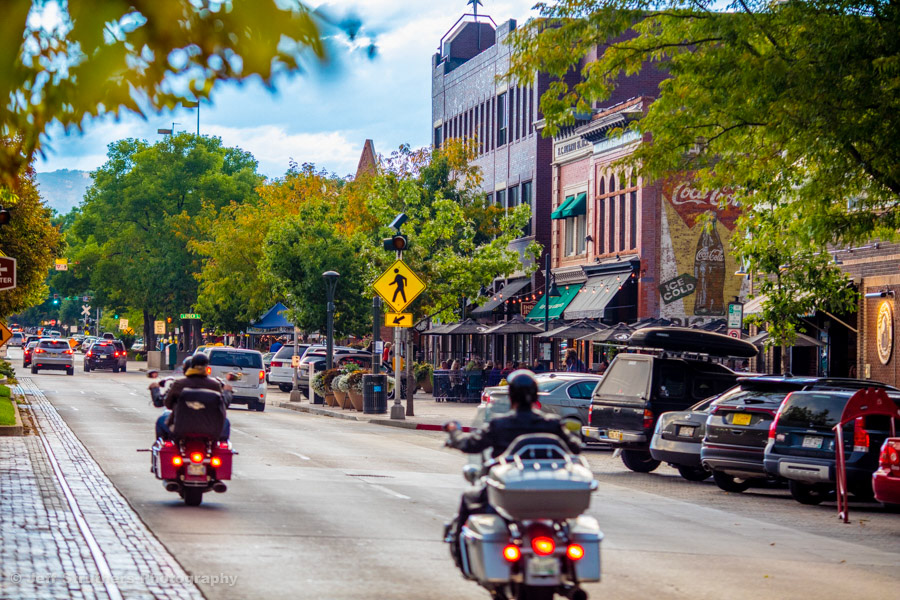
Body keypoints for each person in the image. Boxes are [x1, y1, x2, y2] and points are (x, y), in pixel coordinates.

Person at [443, 370, 582, 551]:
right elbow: (576, 447)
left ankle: (456, 542)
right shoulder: (552, 424)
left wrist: (454, 432)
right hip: (547, 491)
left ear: (511, 396)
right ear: (534, 396)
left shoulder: (499, 424)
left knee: (469, 497)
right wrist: (572, 432)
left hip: (508, 490)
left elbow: (470, 444)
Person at [152, 353, 232, 441]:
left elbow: (168, 404)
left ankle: (165, 446)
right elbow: (223, 405)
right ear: (207, 367)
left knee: (161, 421)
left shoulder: (179, 384)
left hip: (180, 429)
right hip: (211, 431)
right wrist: (227, 392)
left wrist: (155, 389)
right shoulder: (215, 385)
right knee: (226, 422)